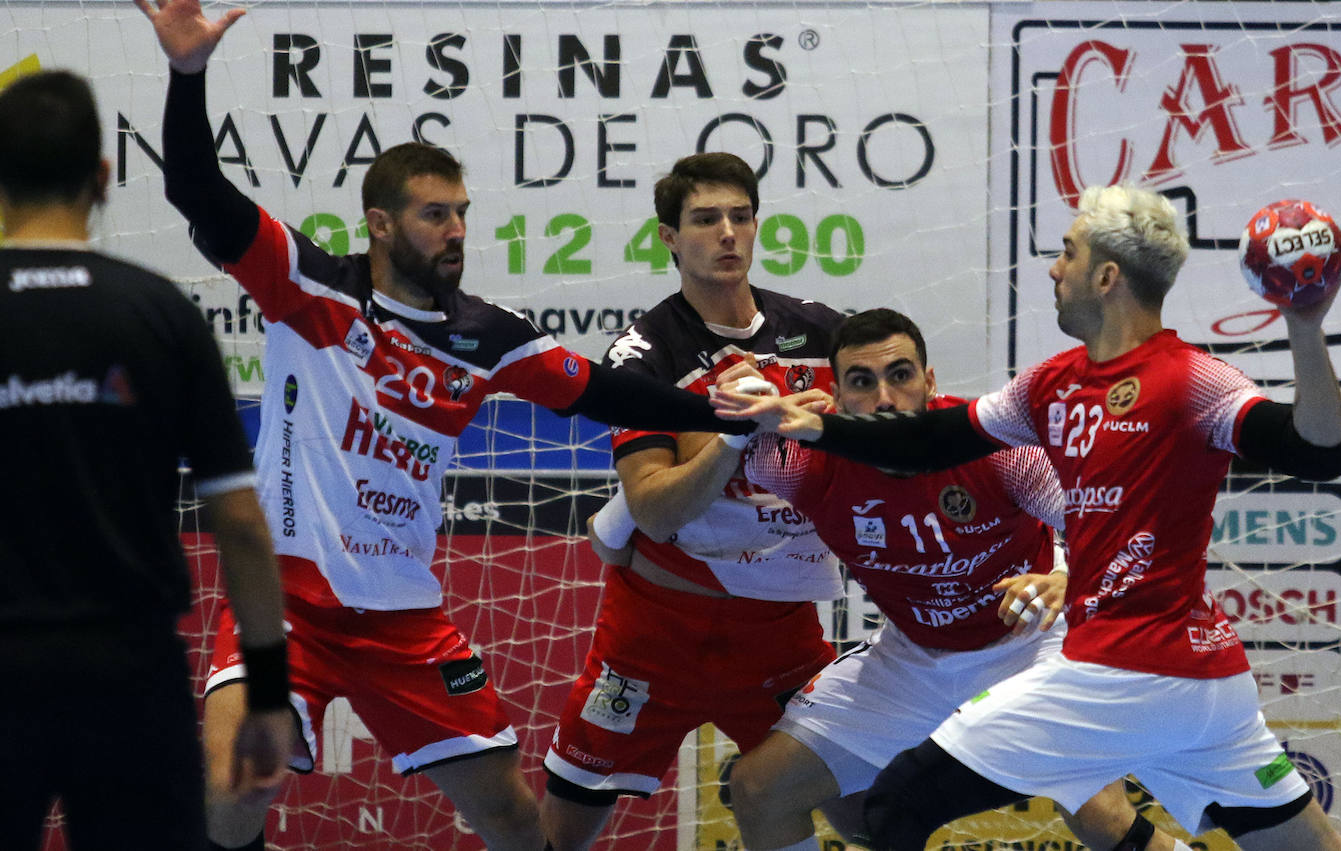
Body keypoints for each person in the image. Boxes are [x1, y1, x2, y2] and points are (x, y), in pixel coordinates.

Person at [136, 3, 759, 850]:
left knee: (509, 816)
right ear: (382, 223)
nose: (457, 229)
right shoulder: (305, 286)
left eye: (462, 211)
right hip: (286, 604)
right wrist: (186, 74)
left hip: (405, 618)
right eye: (435, 214)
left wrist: (720, 409)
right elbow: (193, 189)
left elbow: (612, 395)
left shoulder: (488, 335)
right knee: (232, 790)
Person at [714, 185, 1341, 850]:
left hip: (1123, 668)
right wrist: (813, 426)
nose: (1054, 267)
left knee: (900, 806)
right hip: (1196, 680)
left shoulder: (1192, 379)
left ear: (1107, 277)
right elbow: (927, 440)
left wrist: (1305, 326)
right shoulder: (1053, 384)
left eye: (1068, 253)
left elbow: (1316, 449)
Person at [723, 307, 1194, 851]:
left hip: (1033, 642)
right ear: (836, 399)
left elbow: (1114, 529)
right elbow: (740, 441)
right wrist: (740, 405)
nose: (883, 398)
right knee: (759, 788)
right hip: (914, 659)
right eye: (861, 382)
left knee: (1101, 815)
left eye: (899, 376)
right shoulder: (800, 464)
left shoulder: (994, 446)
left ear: (929, 383)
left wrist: (1070, 583)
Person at [0, 69, 293, 850]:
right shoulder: (163, 314)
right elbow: (239, 522)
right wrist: (268, 692)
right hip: (127, 677)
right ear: (102, 178)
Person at [539, 152, 846, 850]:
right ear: (670, 237)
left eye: (740, 216)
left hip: (780, 630)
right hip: (656, 634)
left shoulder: (821, 332)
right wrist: (734, 438)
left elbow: (874, 436)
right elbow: (655, 508)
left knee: (868, 804)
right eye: (706, 219)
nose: (728, 233)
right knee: (562, 831)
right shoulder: (642, 353)